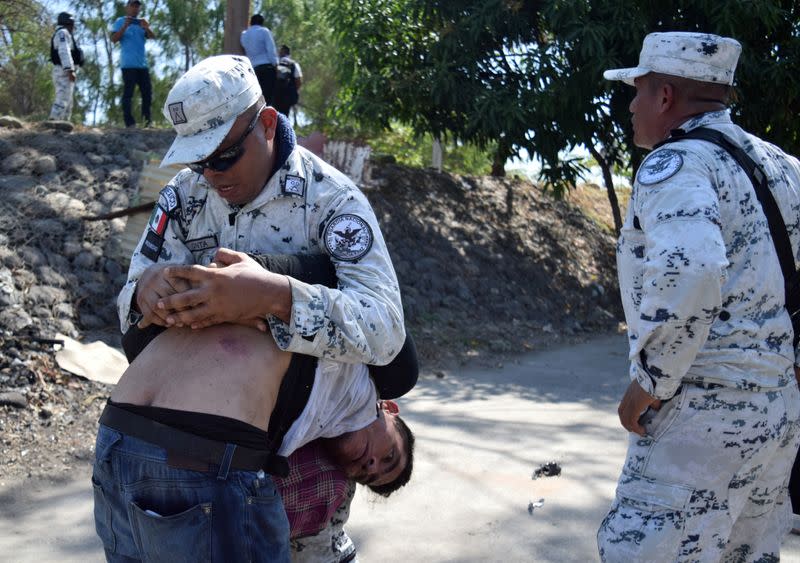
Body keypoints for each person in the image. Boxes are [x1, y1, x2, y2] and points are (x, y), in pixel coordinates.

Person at [597, 31, 800, 562]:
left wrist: (652, 379)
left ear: (664, 96)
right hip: (776, 413)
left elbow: (694, 267)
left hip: (701, 413)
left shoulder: (679, 163)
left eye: (636, 92)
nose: (633, 107)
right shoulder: (783, 167)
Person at [93, 317, 414, 562]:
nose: (370, 463)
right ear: (391, 409)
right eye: (389, 456)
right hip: (186, 453)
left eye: (366, 474)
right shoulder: (360, 376)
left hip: (116, 437)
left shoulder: (315, 434)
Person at [110, 0, 155, 128]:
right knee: (128, 94)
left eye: (137, 6)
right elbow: (113, 39)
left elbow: (152, 36)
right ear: (127, 7)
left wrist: (147, 27)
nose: (135, 8)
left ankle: (147, 121)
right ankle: (129, 123)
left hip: (142, 65)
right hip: (128, 65)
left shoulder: (141, 23)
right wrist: (125, 26)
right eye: (133, 6)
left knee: (147, 93)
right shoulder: (120, 21)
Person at [48, 12, 83, 121]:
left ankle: (63, 125)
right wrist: (70, 70)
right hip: (63, 71)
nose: (73, 26)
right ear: (68, 22)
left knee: (68, 102)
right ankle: (53, 121)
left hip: (64, 71)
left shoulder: (65, 33)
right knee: (62, 98)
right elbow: (64, 51)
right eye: (72, 23)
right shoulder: (63, 33)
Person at [240, 14, 279, 105]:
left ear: (251, 22)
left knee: (255, 97)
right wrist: (276, 65)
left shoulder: (244, 35)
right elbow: (271, 50)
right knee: (267, 98)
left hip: (252, 70)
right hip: (267, 68)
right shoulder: (264, 31)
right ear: (262, 23)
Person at [274, 44, 302, 118]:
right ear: (289, 53)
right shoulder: (294, 64)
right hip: (288, 96)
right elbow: (298, 80)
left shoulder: (275, 63)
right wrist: (294, 92)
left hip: (275, 95)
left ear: (281, 52)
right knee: (285, 116)